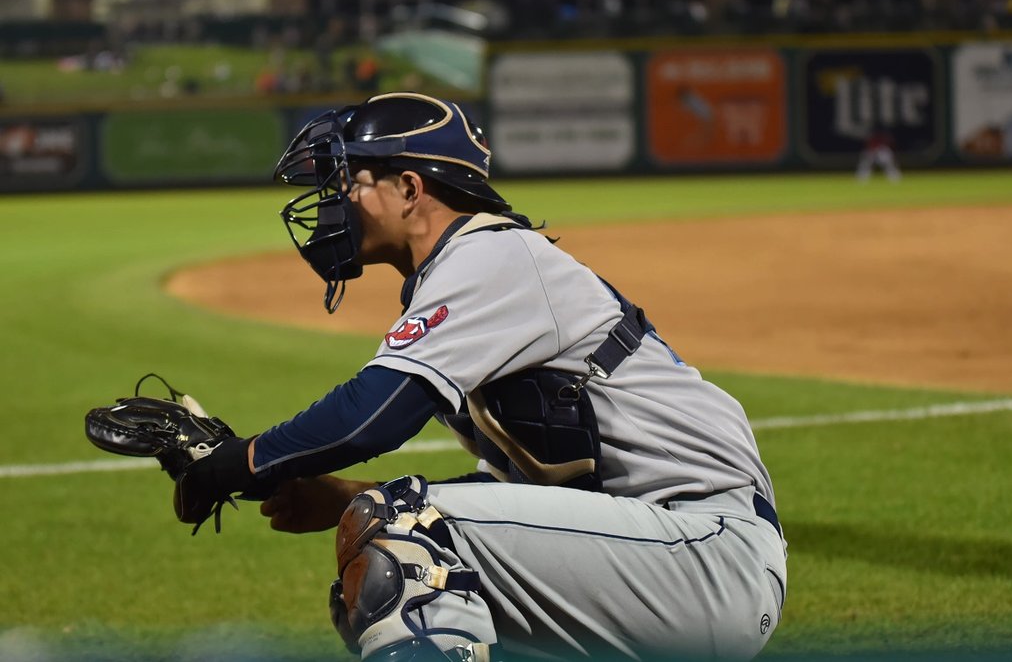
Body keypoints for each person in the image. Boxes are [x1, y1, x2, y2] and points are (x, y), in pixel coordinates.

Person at [185, 92, 786, 661]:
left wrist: (235, 462)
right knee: (378, 573)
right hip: (661, 558)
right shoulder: (471, 271)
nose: (333, 199)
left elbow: (371, 415)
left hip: (708, 552)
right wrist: (343, 496)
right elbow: (511, 495)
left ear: (410, 189)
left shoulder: (489, 258)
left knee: (402, 542)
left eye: (347, 182)